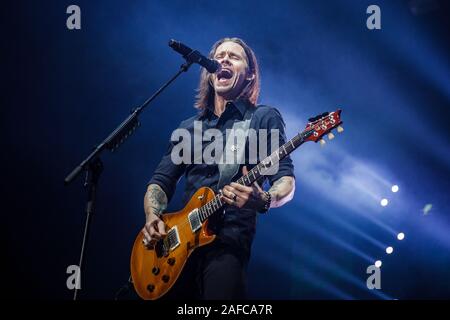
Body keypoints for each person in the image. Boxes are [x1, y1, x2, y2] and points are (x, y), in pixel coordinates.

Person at [141, 37, 295, 300]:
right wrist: (152, 216)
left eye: (234, 57)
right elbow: (161, 182)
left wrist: (266, 199)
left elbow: (285, 179)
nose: (223, 59)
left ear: (249, 75)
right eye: (219, 55)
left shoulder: (262, 118)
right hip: (176, 248)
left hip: (227, 245)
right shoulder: (189, 127)